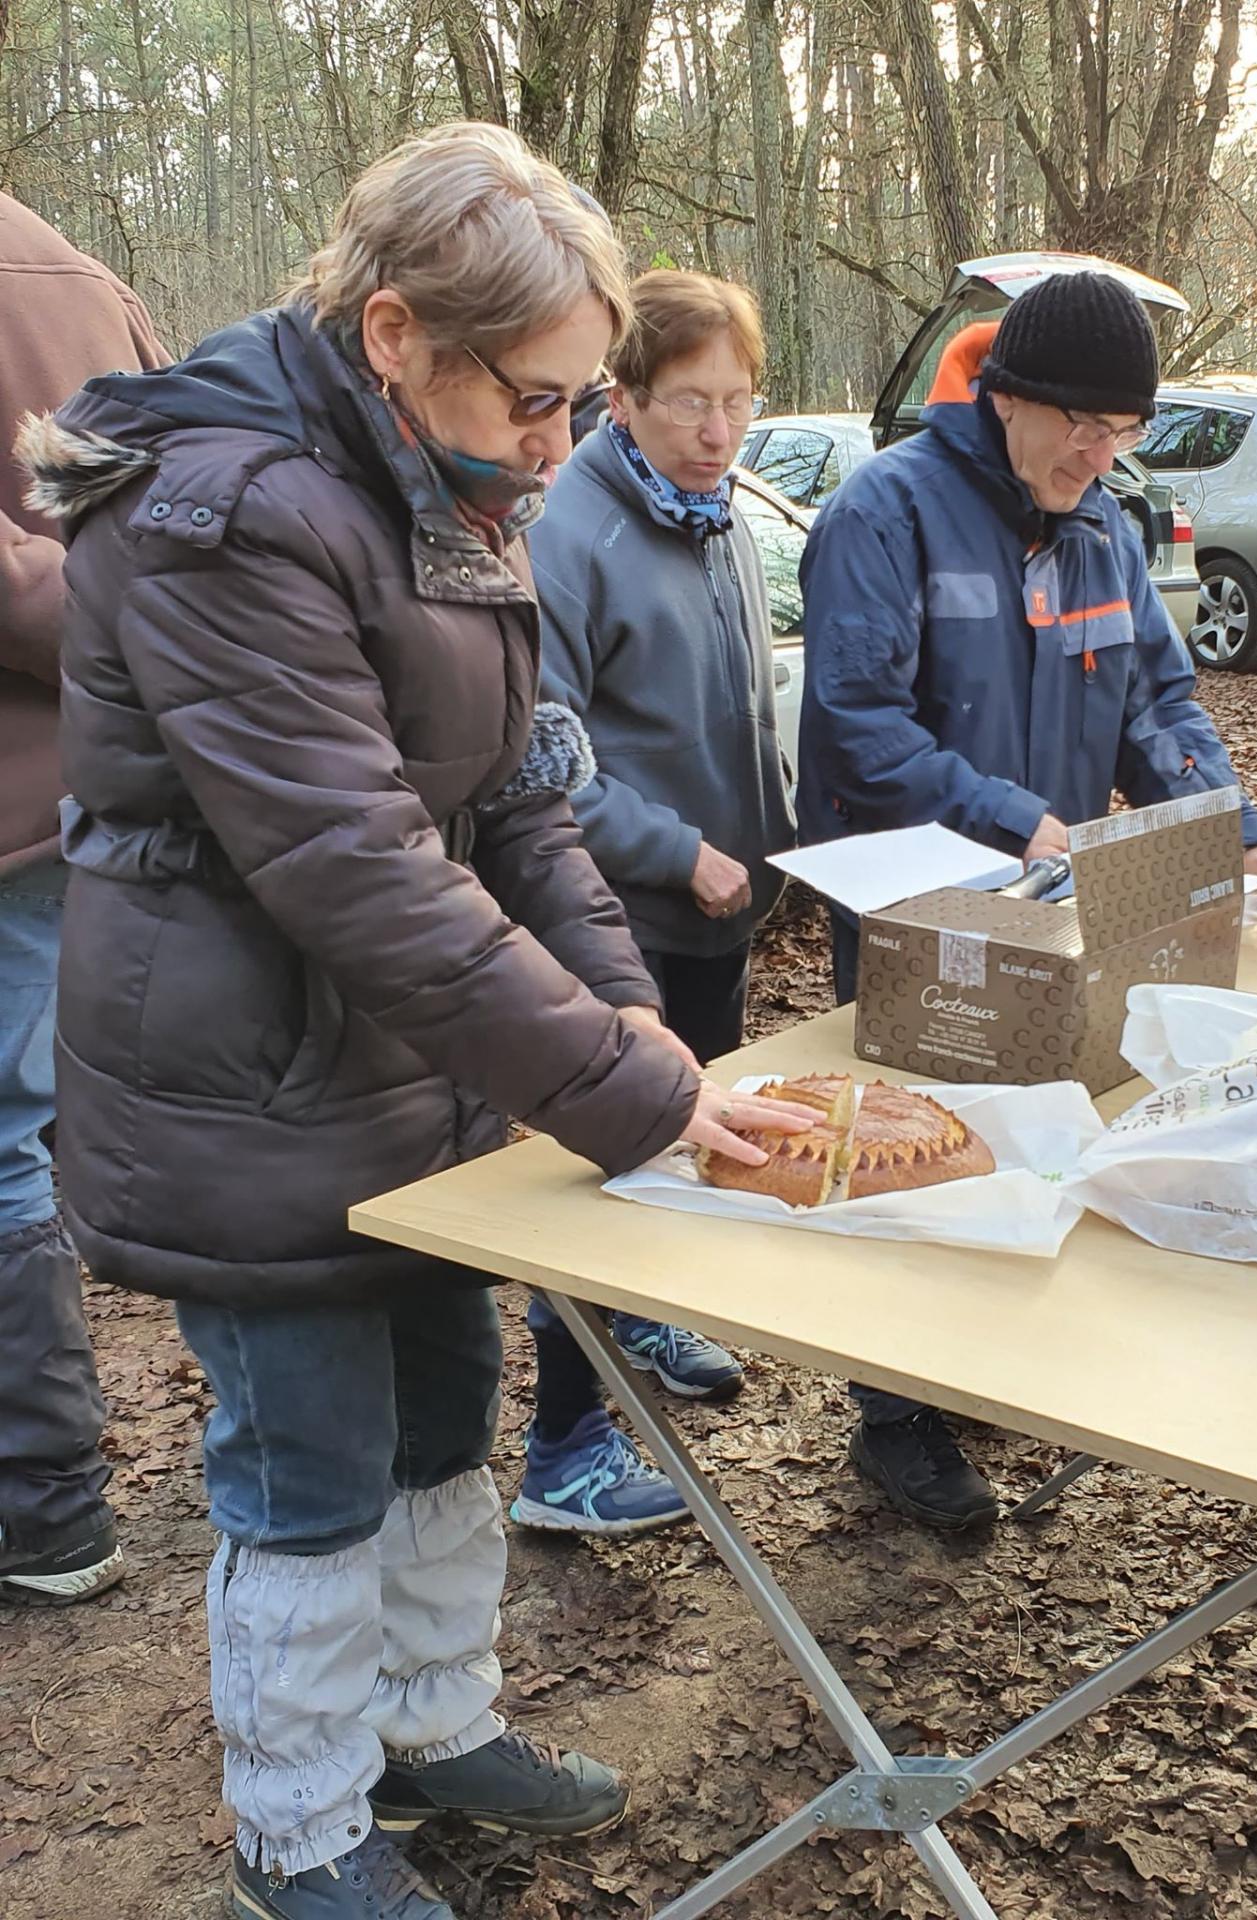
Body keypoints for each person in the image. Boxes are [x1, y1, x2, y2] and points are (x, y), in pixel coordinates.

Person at [21, 122, 810, 1920]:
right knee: (305, 1463)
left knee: (449, 1408)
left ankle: (435, 1723)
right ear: (397, 335)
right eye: (537, 399)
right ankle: (296, 1835)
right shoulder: (223, 513)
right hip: (247, 1084)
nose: (564, 440)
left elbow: (528, 800)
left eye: (578, 397)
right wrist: (624, 1087)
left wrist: (628, 1024)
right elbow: (355, 865)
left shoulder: (453, 492)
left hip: (424, 1066)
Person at [798, 269, 1257, 1533]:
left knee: (1030, 1123)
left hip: (1050, 900)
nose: (1099, 448)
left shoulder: (1104, 533)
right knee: (913, 1149)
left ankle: (976, 1364)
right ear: (1006, 397)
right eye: (1077, 421)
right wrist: (1006, 814)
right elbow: (858, 724)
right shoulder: (887, 513)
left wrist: (1231, 817)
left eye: (1121, 427)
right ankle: (895, 1417)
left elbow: (1158, 703)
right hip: (915, 899)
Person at [514, 269, 797, 1534]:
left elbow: (737, 717)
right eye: (691, 404)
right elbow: (535, 758)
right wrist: (676, 847)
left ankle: (647, 1314)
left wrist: (778, 837)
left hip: (721, 913)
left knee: (689, 1148)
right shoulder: (571, 533)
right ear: (619, 397)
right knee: (601, 1167)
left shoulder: (718, 515)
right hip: (610, 918)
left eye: (738, 402)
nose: (719, 431)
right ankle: (562, 1451)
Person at [0, 195, 166, 1605]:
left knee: (3, 1145)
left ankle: (47, 1504)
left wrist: (89, 611)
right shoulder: (79, 266)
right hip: (73, 789)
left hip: (22, 799)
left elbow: (130, 557)